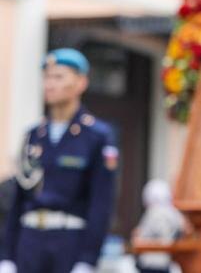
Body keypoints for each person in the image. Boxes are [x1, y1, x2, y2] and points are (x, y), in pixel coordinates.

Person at [0, 48, 118, 273]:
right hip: (29, 242)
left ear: (81, 82)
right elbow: (16, 199)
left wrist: (88, 260)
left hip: (69, 243)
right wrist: (6, 256)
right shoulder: (33, 135)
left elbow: (101, 203)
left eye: (59, 77)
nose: (50, 84)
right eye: (47, 77)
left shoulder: (97, 136)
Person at [132, 179, 186, 273]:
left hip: (151, 264)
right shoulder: (174, 213)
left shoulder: (154, 213)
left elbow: (142, 236)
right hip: (165, 262)